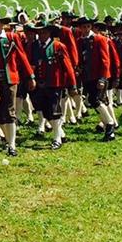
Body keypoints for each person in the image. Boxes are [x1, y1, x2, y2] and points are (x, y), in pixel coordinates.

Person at [0, 10, 34, 156]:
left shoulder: (12, 37)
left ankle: (12, 145)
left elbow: (22, 56)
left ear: (2, 25)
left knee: (10, 110)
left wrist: (30, 75)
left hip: (10, 79)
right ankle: (7, 139)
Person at [27, 21, 76, 149]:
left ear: (49, 33)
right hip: (39, 84)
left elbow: (68, 66)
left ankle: (57, 139)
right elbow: (31, 63)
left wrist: (72, 84)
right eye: (39, 32)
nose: (42, 35)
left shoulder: (58, 46)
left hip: (54, 83)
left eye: (44, 32)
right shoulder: (34, 46)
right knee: (44, 111)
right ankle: (61, 134)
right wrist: (31, 78)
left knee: (54, 111)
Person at [74, 15, 118, 141]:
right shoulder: (79, 41)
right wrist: (79, 68)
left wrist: (103, 78)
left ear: (91, 27)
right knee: (93, 101)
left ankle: (110, 124)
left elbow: (105, 60)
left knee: (97, 100)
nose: (86, 29)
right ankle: (108, 124)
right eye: (83, 27)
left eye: (88, 26)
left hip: (98, 76)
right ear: (80, 28)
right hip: (87, 76)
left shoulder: (100, 39)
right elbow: (80, 58)